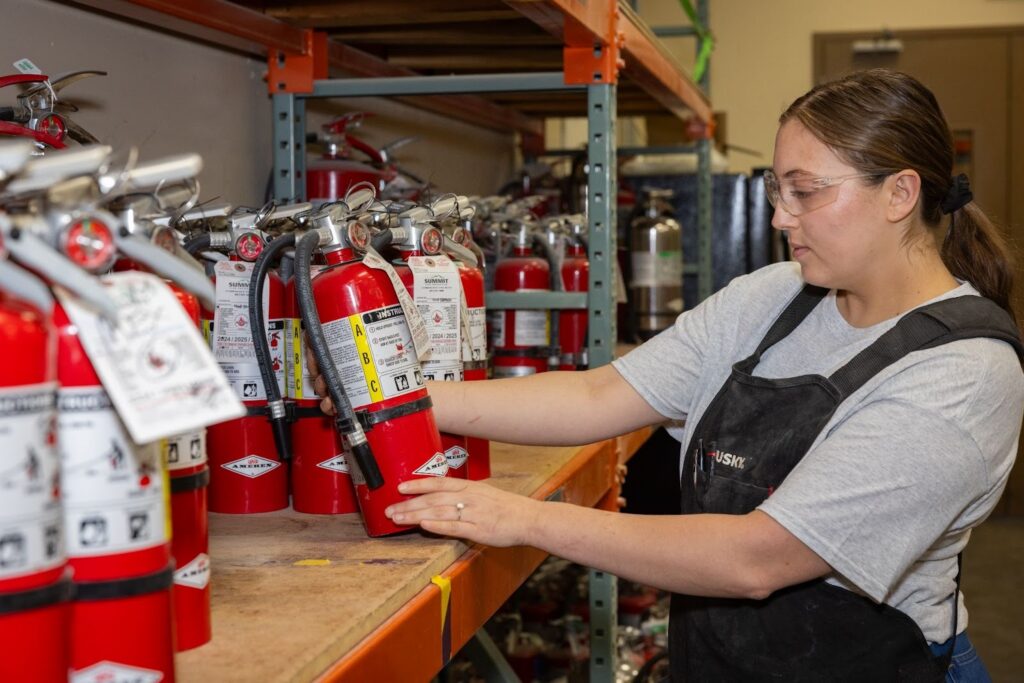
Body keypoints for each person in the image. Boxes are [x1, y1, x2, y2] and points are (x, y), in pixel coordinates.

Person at [313, 69, 1023, 681]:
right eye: (778, 190)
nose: (780, 216)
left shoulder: (963, 370)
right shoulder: (770, 299)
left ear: (900, 194)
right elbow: (598, 394)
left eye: (806, 192)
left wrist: (523, 518)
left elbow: (758, 557)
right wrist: (401, 399)